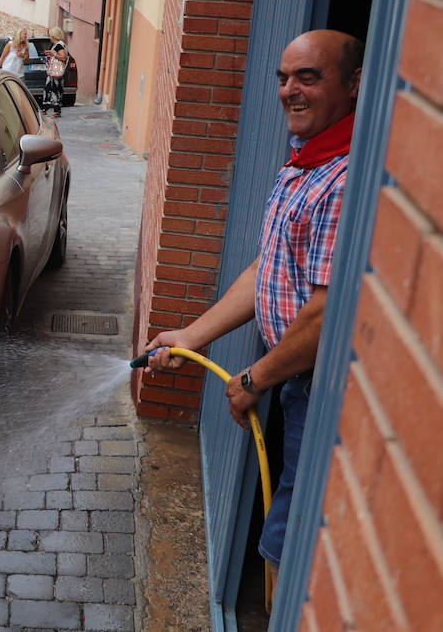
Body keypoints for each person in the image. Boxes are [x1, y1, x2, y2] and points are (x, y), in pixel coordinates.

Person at [144, 29, 365, 579]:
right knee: (285, 538)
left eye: (309, 77)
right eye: (284, 77)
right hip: (298, 382)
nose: (290, 90)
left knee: (288, 551)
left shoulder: (345, 178)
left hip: (326, 390)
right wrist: (191, 336)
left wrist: (252, 379)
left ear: (355, 84)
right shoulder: (305, 165)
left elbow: (328, 311)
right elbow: (269, 267)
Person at [42, 27, 69, 118]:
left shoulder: (59, 45)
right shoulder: (56, 44)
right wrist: (50, 53)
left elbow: (63, 58)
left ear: (54, 36)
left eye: (50, 35)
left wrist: (53, 54)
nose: (49, 37)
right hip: (52, 73)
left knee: (55, 90)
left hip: (56, 73)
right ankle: (45, 109)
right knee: (48, 89)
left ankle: (57, 111)